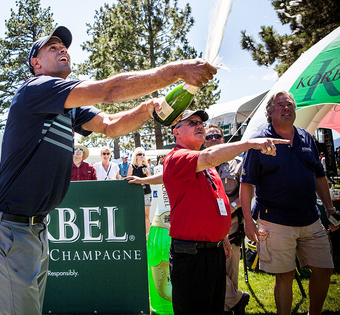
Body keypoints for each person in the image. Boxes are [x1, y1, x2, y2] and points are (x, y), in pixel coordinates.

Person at [0, 25, 218, 315]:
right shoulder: (36, 89)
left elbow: (110, 125)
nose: (62, 49)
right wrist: (176, 71)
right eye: (52, 47)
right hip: (10, 227)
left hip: (34, 227)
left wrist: (145, 110)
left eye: (64, 46)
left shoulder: (68, 108)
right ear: (36, 64)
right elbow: (109, 91)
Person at [127, 109, 287, 314]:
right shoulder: (178, 156)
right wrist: (250, 143)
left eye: (201, 122)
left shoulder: (204, 166)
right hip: (192, 254)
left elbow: (212, 199)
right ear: (176, 132)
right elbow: (208, 156)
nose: (199, 125)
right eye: (192, 122)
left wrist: (223, 237)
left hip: (214, 249)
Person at [240, 91, 338, 315]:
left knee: (325, 269)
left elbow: (319, 176)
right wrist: (248, 220)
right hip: (275, 220)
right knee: (285, 275)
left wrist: (330, 208)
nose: (286, 108)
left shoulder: (306, 138)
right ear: (270, 112)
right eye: (280, 105)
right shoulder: (260, 140)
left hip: (310, 218)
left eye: (290, 105)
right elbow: (247, 184)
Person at [203, 125, 250, 315]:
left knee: (230, 269)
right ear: (204, 141)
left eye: (217, 135)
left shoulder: (238, 164)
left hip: (232, 225)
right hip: (206, 227)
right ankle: (237, 299)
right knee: (211, 268)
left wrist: (231, 207)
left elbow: (246, 193)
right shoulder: (200, 165)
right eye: (209, 136)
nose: (214, 138)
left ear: (223, 139)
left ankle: (227, 307)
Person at [127, 147, 152, 234]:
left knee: (146, 215)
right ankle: (136, 233)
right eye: (140, 154)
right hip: (136, 193)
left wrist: (148, 174)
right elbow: (127, 180)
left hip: (146, 192)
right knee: (136, 214)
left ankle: (146, 235)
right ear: (136, 156)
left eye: (143, 154)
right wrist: (138, 183)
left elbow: (150, 179)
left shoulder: (146, 166)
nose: (142, 156)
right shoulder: (132, 166)